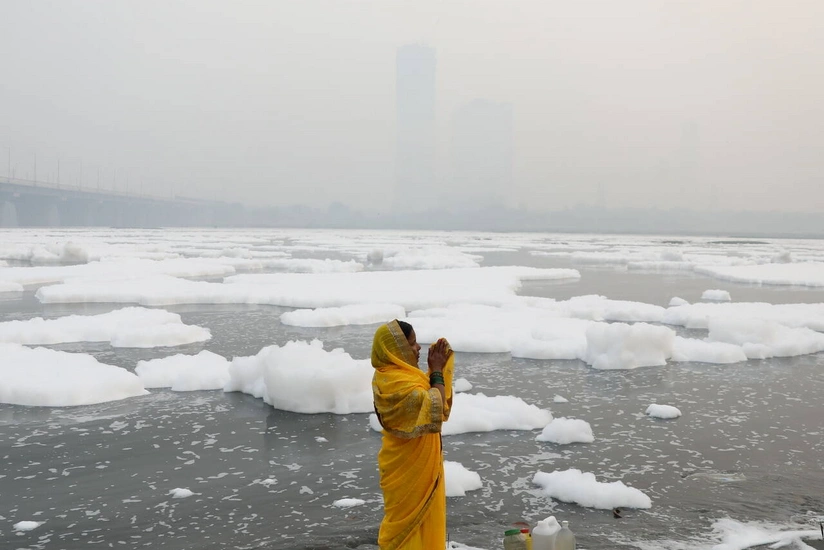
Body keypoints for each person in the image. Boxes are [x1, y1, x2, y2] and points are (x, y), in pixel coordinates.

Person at [371, 319, 454, 550]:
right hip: (407, 467)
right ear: (395, 349)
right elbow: (434, 407)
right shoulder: (395, 382)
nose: (418, 349)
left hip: (414, 464)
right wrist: (436, 371)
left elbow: (432, 403)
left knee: (423, 522)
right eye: (412, 344)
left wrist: (434, 372)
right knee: (406, 528)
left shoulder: (399, 375)